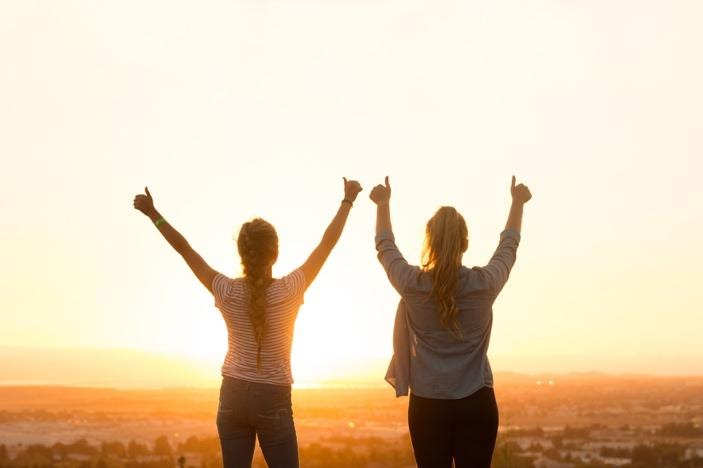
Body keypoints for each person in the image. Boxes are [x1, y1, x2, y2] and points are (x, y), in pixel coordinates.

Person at [133, 178, 363, 468]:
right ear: (275, 253)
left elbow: (185, 250)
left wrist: (154, 214)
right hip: (274, 397)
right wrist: (347, 200)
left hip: (233, 395)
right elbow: (326, 244)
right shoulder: (290, 290)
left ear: (242, 253)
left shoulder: (226, 291)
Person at [369, 175, 531, 468]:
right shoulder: (484, 285)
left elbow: (385, 247)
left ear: (428, 242)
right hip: (477, 404)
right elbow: (509, 247)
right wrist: (518, 202)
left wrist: (382, 204)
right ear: (465, 243)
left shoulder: (412, 284)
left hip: (428, 407)